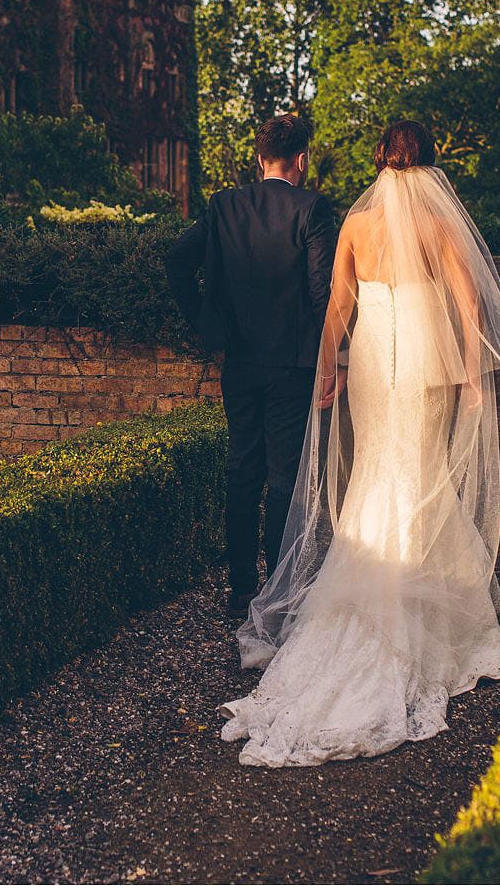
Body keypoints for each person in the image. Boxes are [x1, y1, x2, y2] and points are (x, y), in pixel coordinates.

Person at [219, 119, 500, 767]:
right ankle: (422, 606)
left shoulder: (358, 222)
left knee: (379, 474)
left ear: (379, 160)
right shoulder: (439, 224)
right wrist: (472, 373)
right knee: (420, 470)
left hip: (374, 367)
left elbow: (336, 308)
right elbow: (468, 306)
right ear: (430, 164)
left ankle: (375, 587)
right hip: (423, 363)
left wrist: (328, 369)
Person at [164, 113, 338, 620]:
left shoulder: (223, 206)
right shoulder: (313, 208)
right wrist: (335, 356)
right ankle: (278, 591)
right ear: (301, 160)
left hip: (238, 360)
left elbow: (177, 261)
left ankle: (241, 588)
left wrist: (206, 325)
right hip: (292, 363)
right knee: (284, 476)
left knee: (242, 469)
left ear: (259, 158)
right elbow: (323, 292)